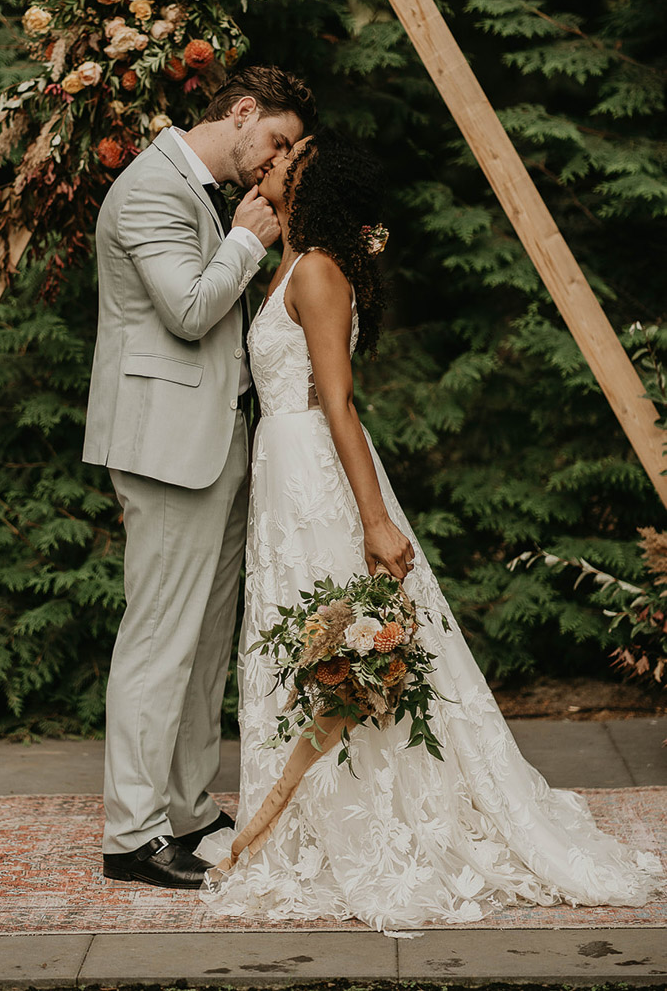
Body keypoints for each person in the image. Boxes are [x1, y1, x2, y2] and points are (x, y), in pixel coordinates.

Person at [200, 127, 662, 929]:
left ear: (311, 187)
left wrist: (375, 521)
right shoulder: (291, 260)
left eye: (287, 159)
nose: (268, 160)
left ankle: (371, 820)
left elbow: (336, 403)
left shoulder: (315, 271)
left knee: (332, 634)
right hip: (282, 474)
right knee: (292, 636)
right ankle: (295, 816)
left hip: (315, 473)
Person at [82, 65, 316, 889]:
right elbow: (186, 309)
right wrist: (248, 241)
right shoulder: (150, 187)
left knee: (204, 642)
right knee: (158, 639)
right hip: (164, 447)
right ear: (242, 112)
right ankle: (130, 834)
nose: (276, 162)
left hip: (215, 443)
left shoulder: (205, 194)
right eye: (277, 141)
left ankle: (184, 808)